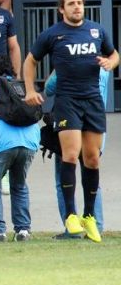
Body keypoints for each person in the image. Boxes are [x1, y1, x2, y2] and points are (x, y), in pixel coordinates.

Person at [23, 0, 118, 243]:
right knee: (71, 154)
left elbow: (114, 53)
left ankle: (88, 215)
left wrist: (111, 62)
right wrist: (30, 90)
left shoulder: (97, 30)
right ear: (61, 9)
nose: (77, 7)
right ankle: (71, 215)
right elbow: (30, 61)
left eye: (79, 3)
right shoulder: (53, 34)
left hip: (93, 102)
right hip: (67, 101)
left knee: (92, 159)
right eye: (71, 3)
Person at [0, 55, 39, 242]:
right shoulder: (22, 86)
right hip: (29, 142)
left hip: (0, 143)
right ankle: (23, 230)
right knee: (19, 185)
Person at [45, 69, 108, 237]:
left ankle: (71, 229)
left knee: (63, 176)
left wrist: (57, 67)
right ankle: (96, 223)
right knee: (91, 176)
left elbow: (49, 88)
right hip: (95, 126)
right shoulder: (104, 69)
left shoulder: (71, 63)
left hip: (71, 125)